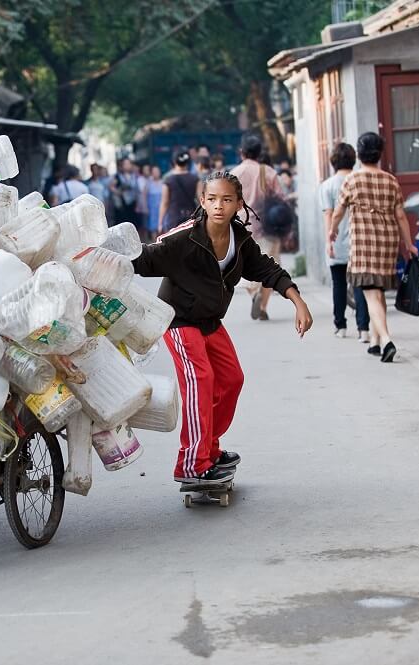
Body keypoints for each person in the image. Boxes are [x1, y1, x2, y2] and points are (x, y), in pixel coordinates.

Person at [133, 170, 313, 487]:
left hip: (209, 321)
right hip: (178, 320)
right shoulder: (183, 238)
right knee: (201, 380)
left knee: (231, 380)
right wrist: (99, 256)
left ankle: (209, 450)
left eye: (227, 200)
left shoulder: (240, 240)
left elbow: (267, 269)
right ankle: (192, 462)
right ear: (203, 201)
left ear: (239, 204)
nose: (219, 206)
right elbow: (144, 257)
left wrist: (297, 301)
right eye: (213, 199)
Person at [329, 132, 418, 363]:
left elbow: (338, 210)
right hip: (387, 243)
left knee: (370, 294)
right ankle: (376, 343)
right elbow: (400, 216)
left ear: (359, 154)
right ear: (380, 153)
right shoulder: (391, 180)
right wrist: (408, 244)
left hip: (363, 243)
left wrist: (332, 229)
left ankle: (387, 339)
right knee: (377, 292)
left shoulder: (352, 180)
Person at [320, 143, 370, 340]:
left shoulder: (328, 186)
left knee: (339, 284)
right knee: (359, 284)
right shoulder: (360, 180)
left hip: (337, 241)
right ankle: (364, 329)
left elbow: (329, 215)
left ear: (333, 161)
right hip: (360, 240)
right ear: (353, 159)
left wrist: (328, 241)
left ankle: (340, 326)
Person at [231, 134, 281, 321]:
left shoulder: (234, 173)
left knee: (246, 266)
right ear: (260, 153)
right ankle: (263, 306)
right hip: (268, 227)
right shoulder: (269, 172)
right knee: (269, 268)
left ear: (242, 152)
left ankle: (254, 294)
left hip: (242, 227)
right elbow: (281, 199)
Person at [159, 152, 199, 237]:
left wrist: (160, 222)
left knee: (174, 244)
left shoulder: (168, 180)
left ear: (174, 161)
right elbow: (201, 199)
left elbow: (165, 202)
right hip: (191, 215)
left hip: (173, 217)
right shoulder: (195, 179)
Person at [110, 158, 140, 226]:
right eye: (125, 164)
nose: (127, 166)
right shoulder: (118, 176)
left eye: (129, 164)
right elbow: (111, 186)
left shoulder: (134, 176)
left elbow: (137, 190)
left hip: (133, 203)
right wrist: (118, 192)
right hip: (123, 205)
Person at [144, 165, 164, 241]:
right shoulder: (148, 183)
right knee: (153, 227)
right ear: (152, 173)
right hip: (152, 209)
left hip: (162, 208)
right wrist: (145, 207)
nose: (156, 173)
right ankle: (154, 244)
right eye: (154, 172)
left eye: (157, 171)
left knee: (162, 226)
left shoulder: (163, 182)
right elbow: (144, 196)